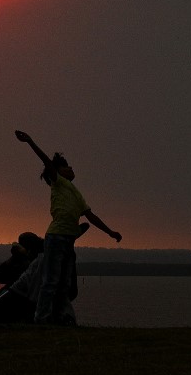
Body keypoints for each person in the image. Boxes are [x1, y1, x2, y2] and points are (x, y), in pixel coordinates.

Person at [15, 129, 122, 324]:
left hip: (68, 240)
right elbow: (46, 161)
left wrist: (110, 232)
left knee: (64, 284)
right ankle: (42, 319)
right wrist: (30, 141)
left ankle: (62, 317)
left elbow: (91, 217)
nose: (71, 167)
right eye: (65, 167)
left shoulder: (77, 194)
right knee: (51, 281)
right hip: (56, 238)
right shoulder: (58, 183)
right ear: (57, 172)